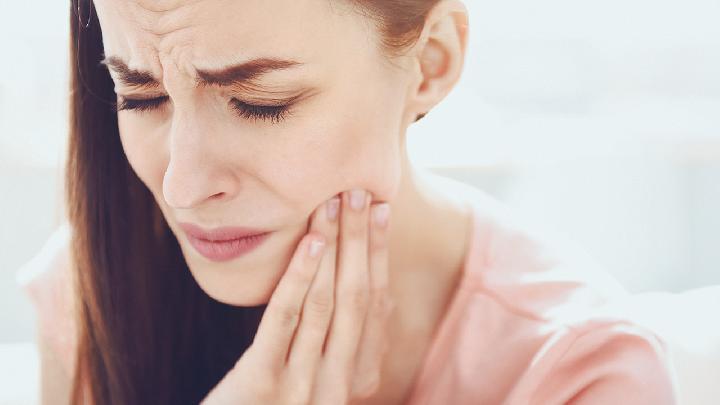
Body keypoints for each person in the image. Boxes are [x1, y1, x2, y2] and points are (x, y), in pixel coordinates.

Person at [21, 0, 678, 403]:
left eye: (260, 104)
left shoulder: (583, 369)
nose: (183, 187)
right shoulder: (85, 293)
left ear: (432, 63)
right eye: (140, 97)